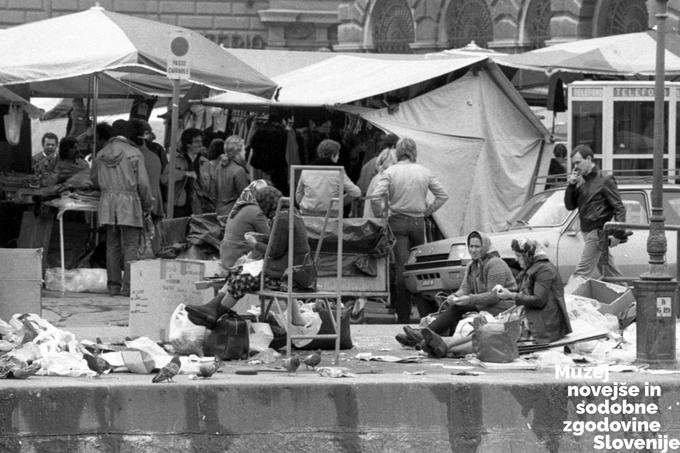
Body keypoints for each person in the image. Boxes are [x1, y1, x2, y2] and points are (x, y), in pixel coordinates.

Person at [187, 186, 311, 327]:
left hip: (285, 275)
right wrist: (261, 238)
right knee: (238, 271)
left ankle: (215, 314)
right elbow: (278, 241)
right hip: (289, 268)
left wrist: (255, 244)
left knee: (241, 279)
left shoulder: (283, 218)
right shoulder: (290, 213)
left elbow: (275, 251)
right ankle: (212, 309)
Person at [397, 231, 517, 355]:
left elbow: (494, 296)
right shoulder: (472, 265)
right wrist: (455, 296)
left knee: (459, 308)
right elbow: (465, 288)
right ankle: (419, 339)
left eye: (477, 247)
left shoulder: (495, 263)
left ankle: (420, 335)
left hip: (503, 305)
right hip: (485, 303)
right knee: (455, 306)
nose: (473, 250)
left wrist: (469, 299)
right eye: (471, 246)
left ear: (485, 247)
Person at [371, 137, 449, 323]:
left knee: (401, 268)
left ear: (398, 152)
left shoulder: (391, 172)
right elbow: (442, 195)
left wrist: (382, 214)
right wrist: (427, 211)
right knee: (420, 269)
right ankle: (424, 313)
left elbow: (375, 197)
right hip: (418, 223)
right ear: (414, 151)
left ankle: (403, 315)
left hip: (397, 221)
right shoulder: (424, 172)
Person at [91, 120, 154, 297]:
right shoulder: (134, 153)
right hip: (129, 202)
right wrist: (147, 205)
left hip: (107, 203)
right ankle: (129, 287)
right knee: (131, 245)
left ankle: (113, 286)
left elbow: (94, 179)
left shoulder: (101, 153)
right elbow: (143, 184)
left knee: (111, 244)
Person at [564, 144, 627, 281]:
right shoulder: (580, 181)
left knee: (581, 273)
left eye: (578, 162)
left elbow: (619, 207)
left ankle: (566, 302)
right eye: (574, 163)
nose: (575, 167)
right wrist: (571, 186)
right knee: (609, 271)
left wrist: (618, 233)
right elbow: (570, 206)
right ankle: (630, 298)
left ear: (589, 159)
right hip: (588, 231)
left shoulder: (605, 179)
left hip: (597, 231)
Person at [494, 238, 572, 344]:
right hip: (535, 317)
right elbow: (520, 289)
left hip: (545, 325)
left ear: (527, 255)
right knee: (490, 331)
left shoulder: (544, 270)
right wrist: (505, 290)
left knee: (494, 336)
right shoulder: (532, 267)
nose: (517, 260)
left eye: (518, 256)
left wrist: (511, 295)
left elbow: (539, 300)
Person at [295, 139, 361, 216]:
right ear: (333, 155)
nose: (338, 157)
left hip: (307, 215)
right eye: (337, 155)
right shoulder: (338, 171)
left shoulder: (306, 170)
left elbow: (298, 196)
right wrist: (339, 202)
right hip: (331, 216)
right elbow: (356, 193)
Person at [219, 179, 270, 270]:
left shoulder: (237, 208)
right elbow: (269, 238)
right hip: (239, 260)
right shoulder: (257, 212)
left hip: (226, 258)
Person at [163, 128, 206, 217]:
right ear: (188, 144)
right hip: (179, 205)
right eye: (197, 142)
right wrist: (184, 174)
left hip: (198, 206)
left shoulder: (204, 162)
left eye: (201, 141)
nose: (200, 144)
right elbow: (164, 179)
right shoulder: (177, 160)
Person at [212, 135, 251, 217]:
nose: (245, 152)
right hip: (234, 212)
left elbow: (213, 191)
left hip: (219, 211)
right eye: (243, 149)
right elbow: (245, 197)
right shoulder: (239, 170)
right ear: (238, 152)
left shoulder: (219, 166)